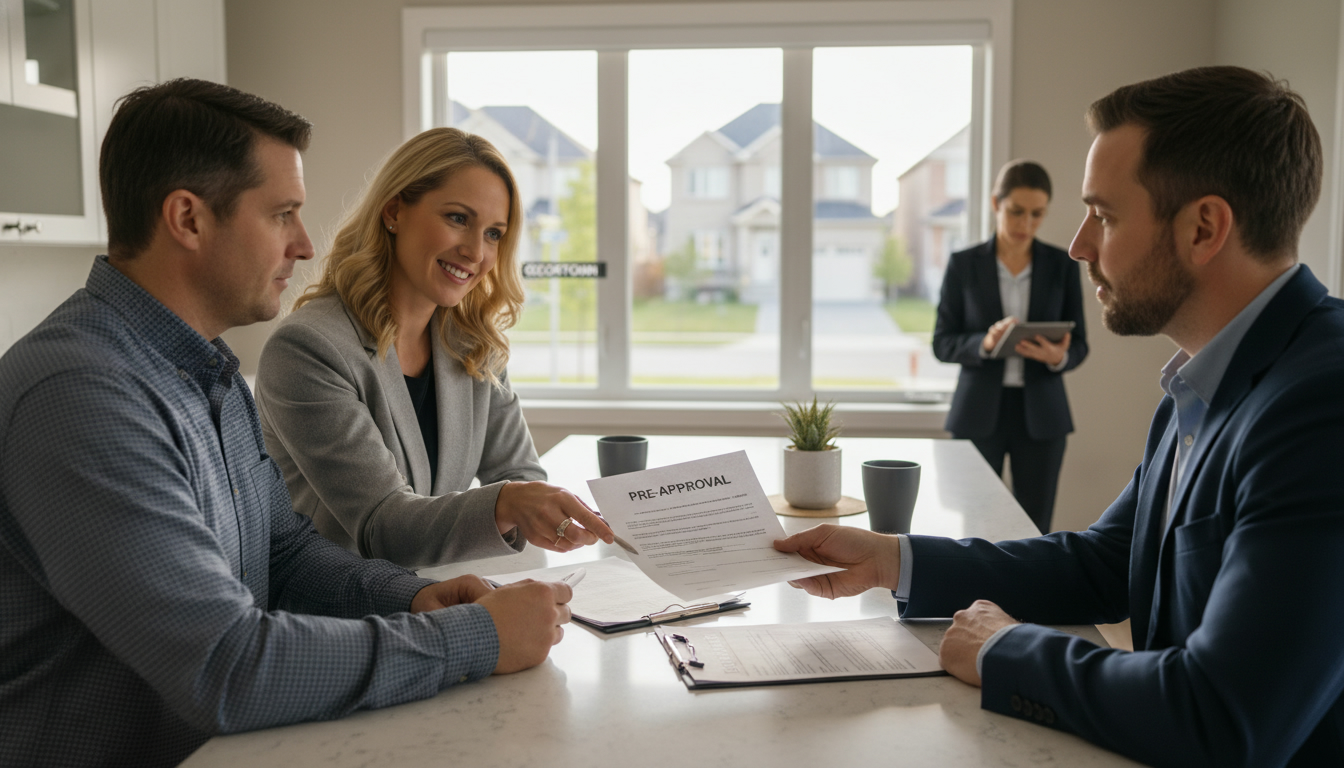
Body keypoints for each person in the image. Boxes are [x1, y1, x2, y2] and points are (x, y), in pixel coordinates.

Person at [776, 66, 1344, 767]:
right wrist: (891, 560)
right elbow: (1105, 562)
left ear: (1204, 227)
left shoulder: (1324, 403)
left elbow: (1226, 715)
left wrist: (1007, 650)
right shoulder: (1199, 385)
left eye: (1103, 216)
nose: (1078, 246)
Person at [0, 79, 575, 767]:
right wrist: (473, 639)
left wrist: (418, 596)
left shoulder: (205, 369)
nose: (305, 245)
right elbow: (224, 664)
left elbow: (284, 553)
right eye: (282, 215)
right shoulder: (82, 395)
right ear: (188, 218)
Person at [254, 128, 611, 568]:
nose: (475, 252)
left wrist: (548, 512)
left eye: (494, 233)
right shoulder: (308, 348)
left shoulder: (474, 344)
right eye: (458, 218)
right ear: (394, 211)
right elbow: (383, 525)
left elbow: (519, 475)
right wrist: (510, 504)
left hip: (437, 596)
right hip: (341, 620)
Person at [933, 160, 1088, 533]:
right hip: (977, 412)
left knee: (1035, 527)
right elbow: (942, 342)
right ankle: (974, 593)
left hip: (1042, 416)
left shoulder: (1061, 266)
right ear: (995, 204)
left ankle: (1026, 595)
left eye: (1037, 214)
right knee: (974, 522)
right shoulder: (964, 265)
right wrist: (985, 343)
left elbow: (1079, 343)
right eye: (1017, 212)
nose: (1026, 225)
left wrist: (1059, 357)